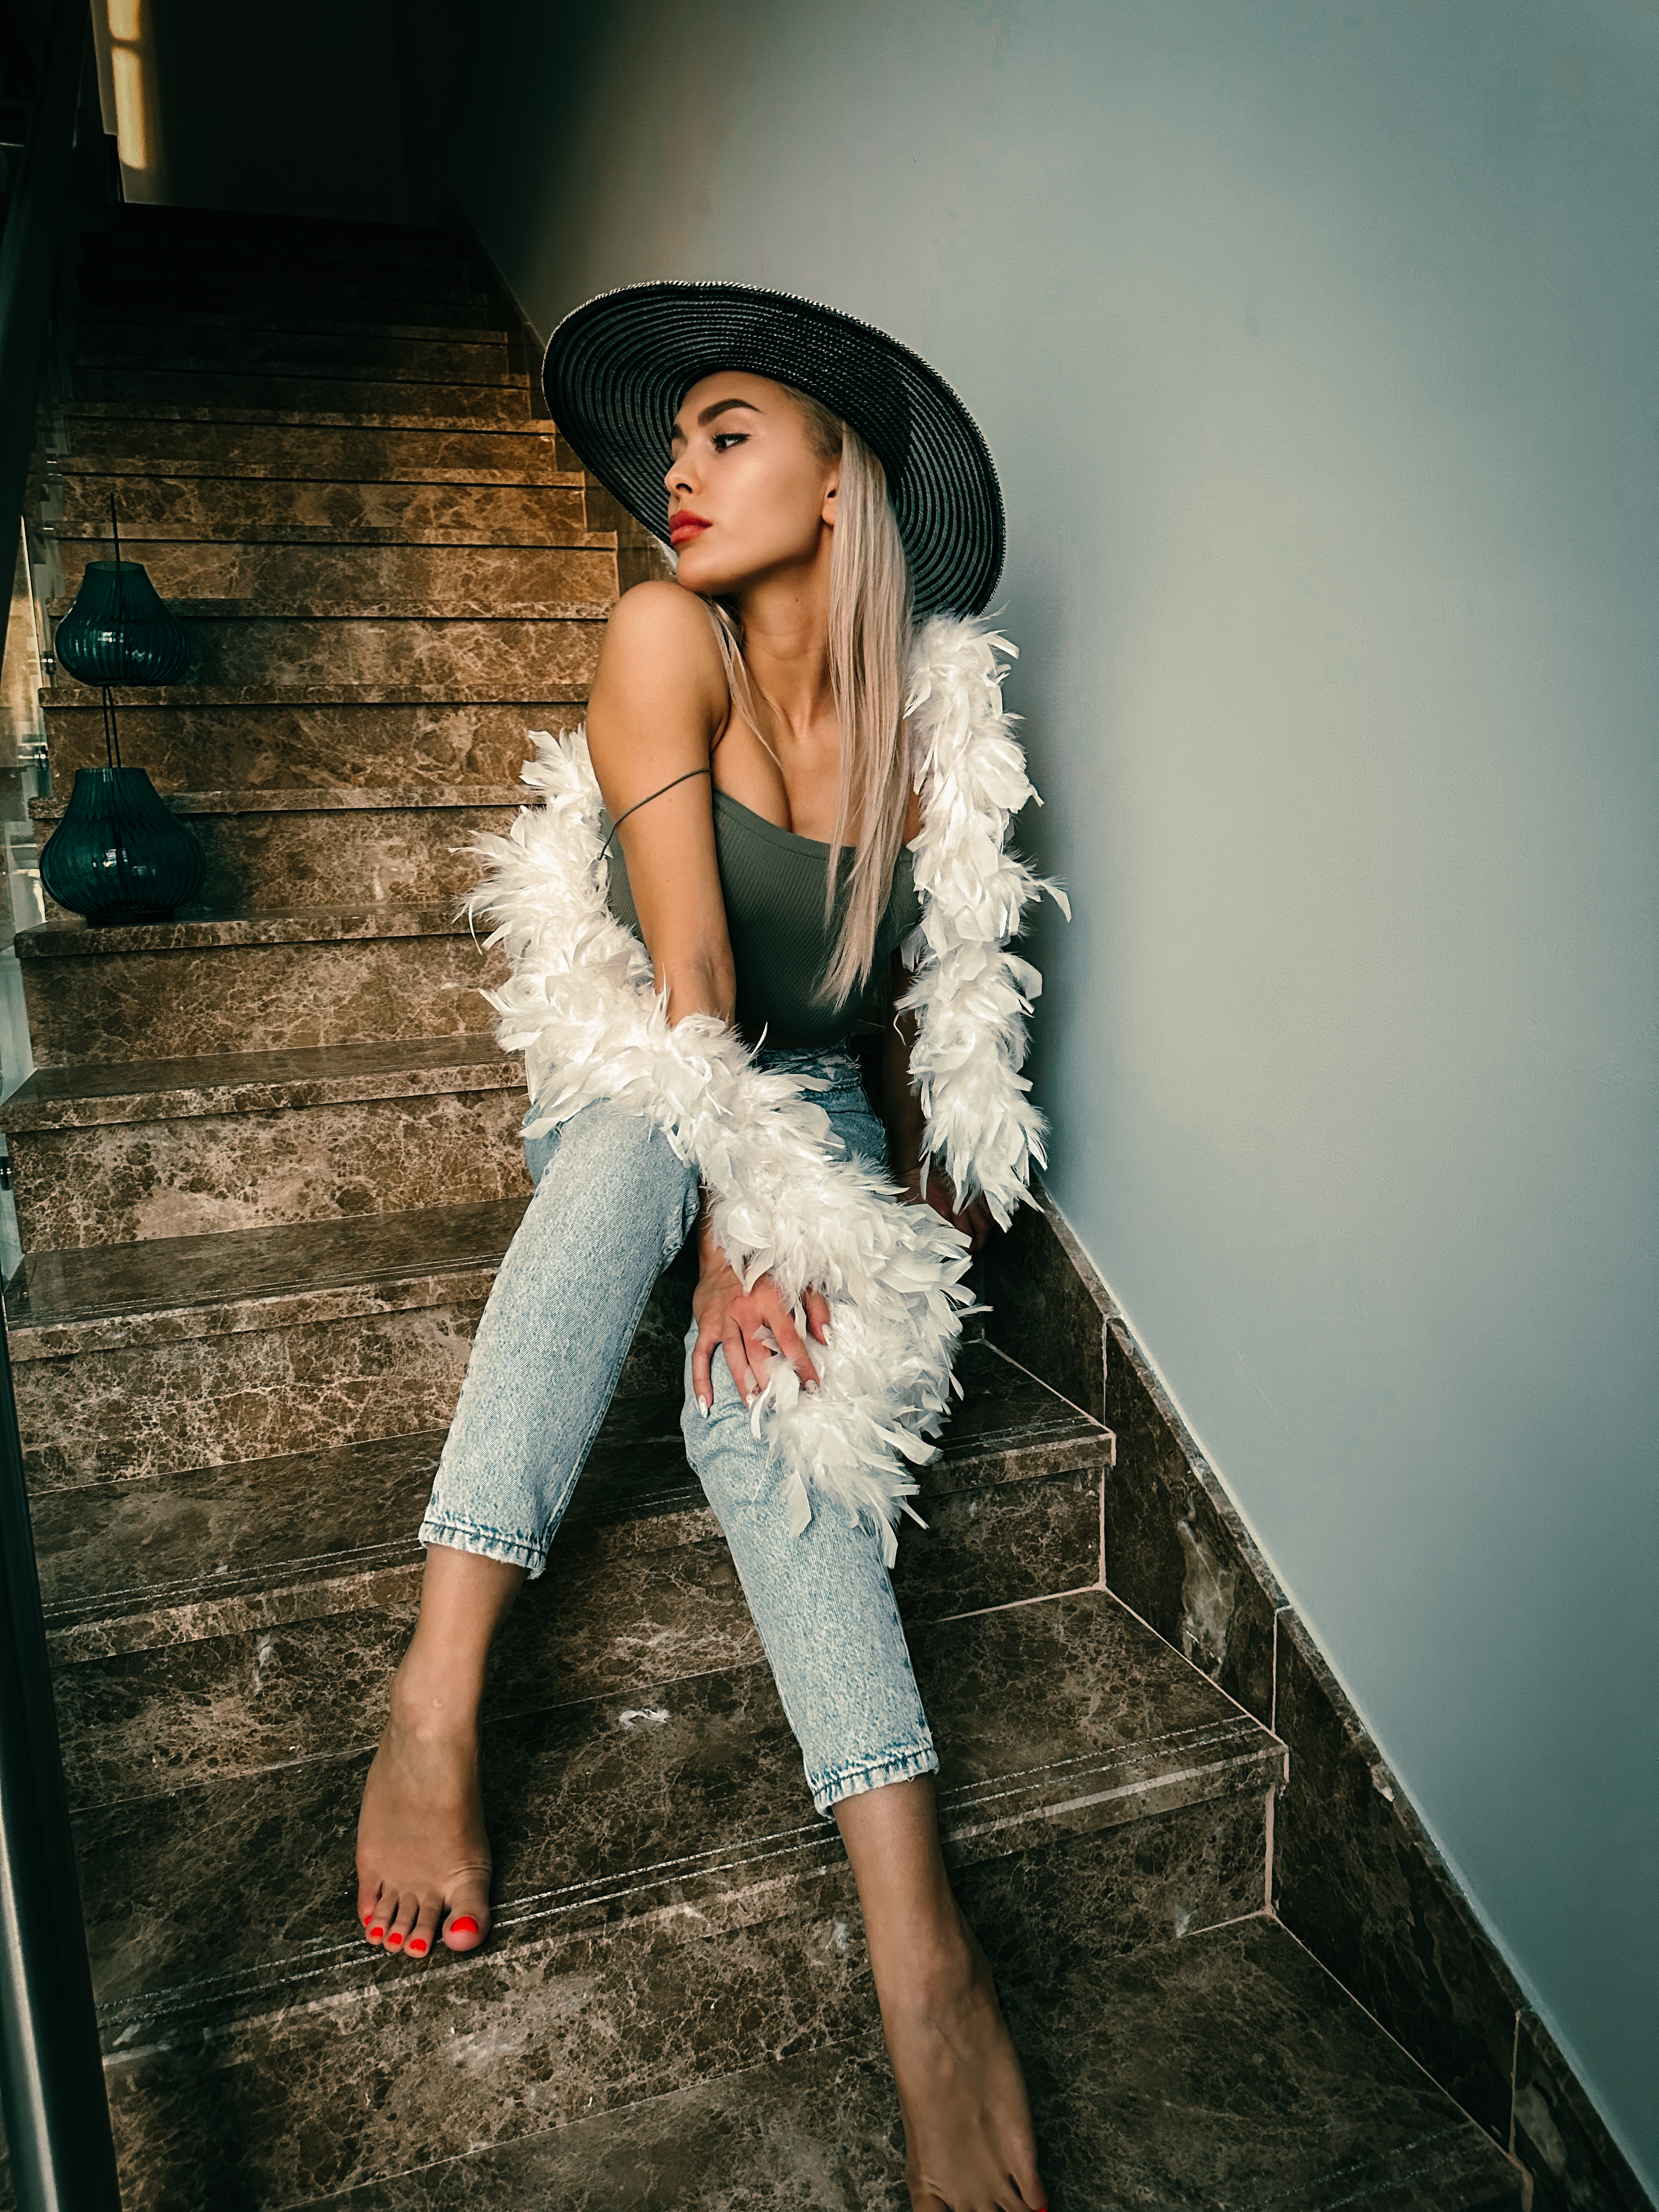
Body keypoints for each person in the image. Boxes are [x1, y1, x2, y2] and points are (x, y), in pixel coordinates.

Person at [355, 283, 1049, 2212]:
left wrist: (885, 1234)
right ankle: (435, 1694)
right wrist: (748, 1202)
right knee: (630, 1159)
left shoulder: (936, 711)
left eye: (725, 434)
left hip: (808, 1098)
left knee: (773, 1406)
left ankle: (926, 1961)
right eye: (672, 444)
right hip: (651, 1058)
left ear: (838, 479)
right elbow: (692, 988)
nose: (678, 470)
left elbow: (922, 1018)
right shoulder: (664, 634)